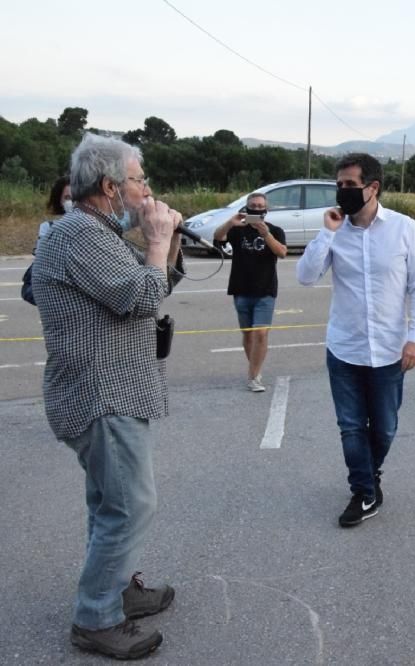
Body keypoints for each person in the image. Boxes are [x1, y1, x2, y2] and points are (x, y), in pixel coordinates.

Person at [32, 134, 183, 659]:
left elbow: (153, 285)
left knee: (108, 501)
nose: (148, 190)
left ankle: (117, 588)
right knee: (129, 504)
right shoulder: (80, 233)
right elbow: (141, 295)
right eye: (141, 180)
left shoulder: (94, 230)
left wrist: (168, 243)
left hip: (111, 389)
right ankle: (96, 617)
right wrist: (157, 242)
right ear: (111, 186)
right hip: (102, 393)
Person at [296, 153, 415, 528]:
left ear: (373, 188)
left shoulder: (404, 228)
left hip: (390, 349)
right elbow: (305, 277)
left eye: (351, 186)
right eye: (339, 185)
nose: (343, 192)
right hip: (345, 347)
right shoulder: (335, 231)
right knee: (352, 426)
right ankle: (364, 491)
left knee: (385, 426)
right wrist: (327, 233)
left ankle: (370, 474)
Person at [213, 191, 288, 392]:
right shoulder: (238, 230)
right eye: (252, 206)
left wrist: (266, 234)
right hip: (241, 288)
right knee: (248, 334)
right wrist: (231, 222)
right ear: (246, 208)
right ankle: (255, 368)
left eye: (260, 206)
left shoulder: (275, 230)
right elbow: (217, 237)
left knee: (261, 333)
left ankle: (253, 377)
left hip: (265, 289)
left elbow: (281, 252)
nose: (256, 209)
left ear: (267, 209)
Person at [35, 175, 72, 254]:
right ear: (59, 200)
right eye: (67, 198)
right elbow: (41, 258)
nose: (72, 202)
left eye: (77, 197)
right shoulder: (47, 228)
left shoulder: (94, 226)